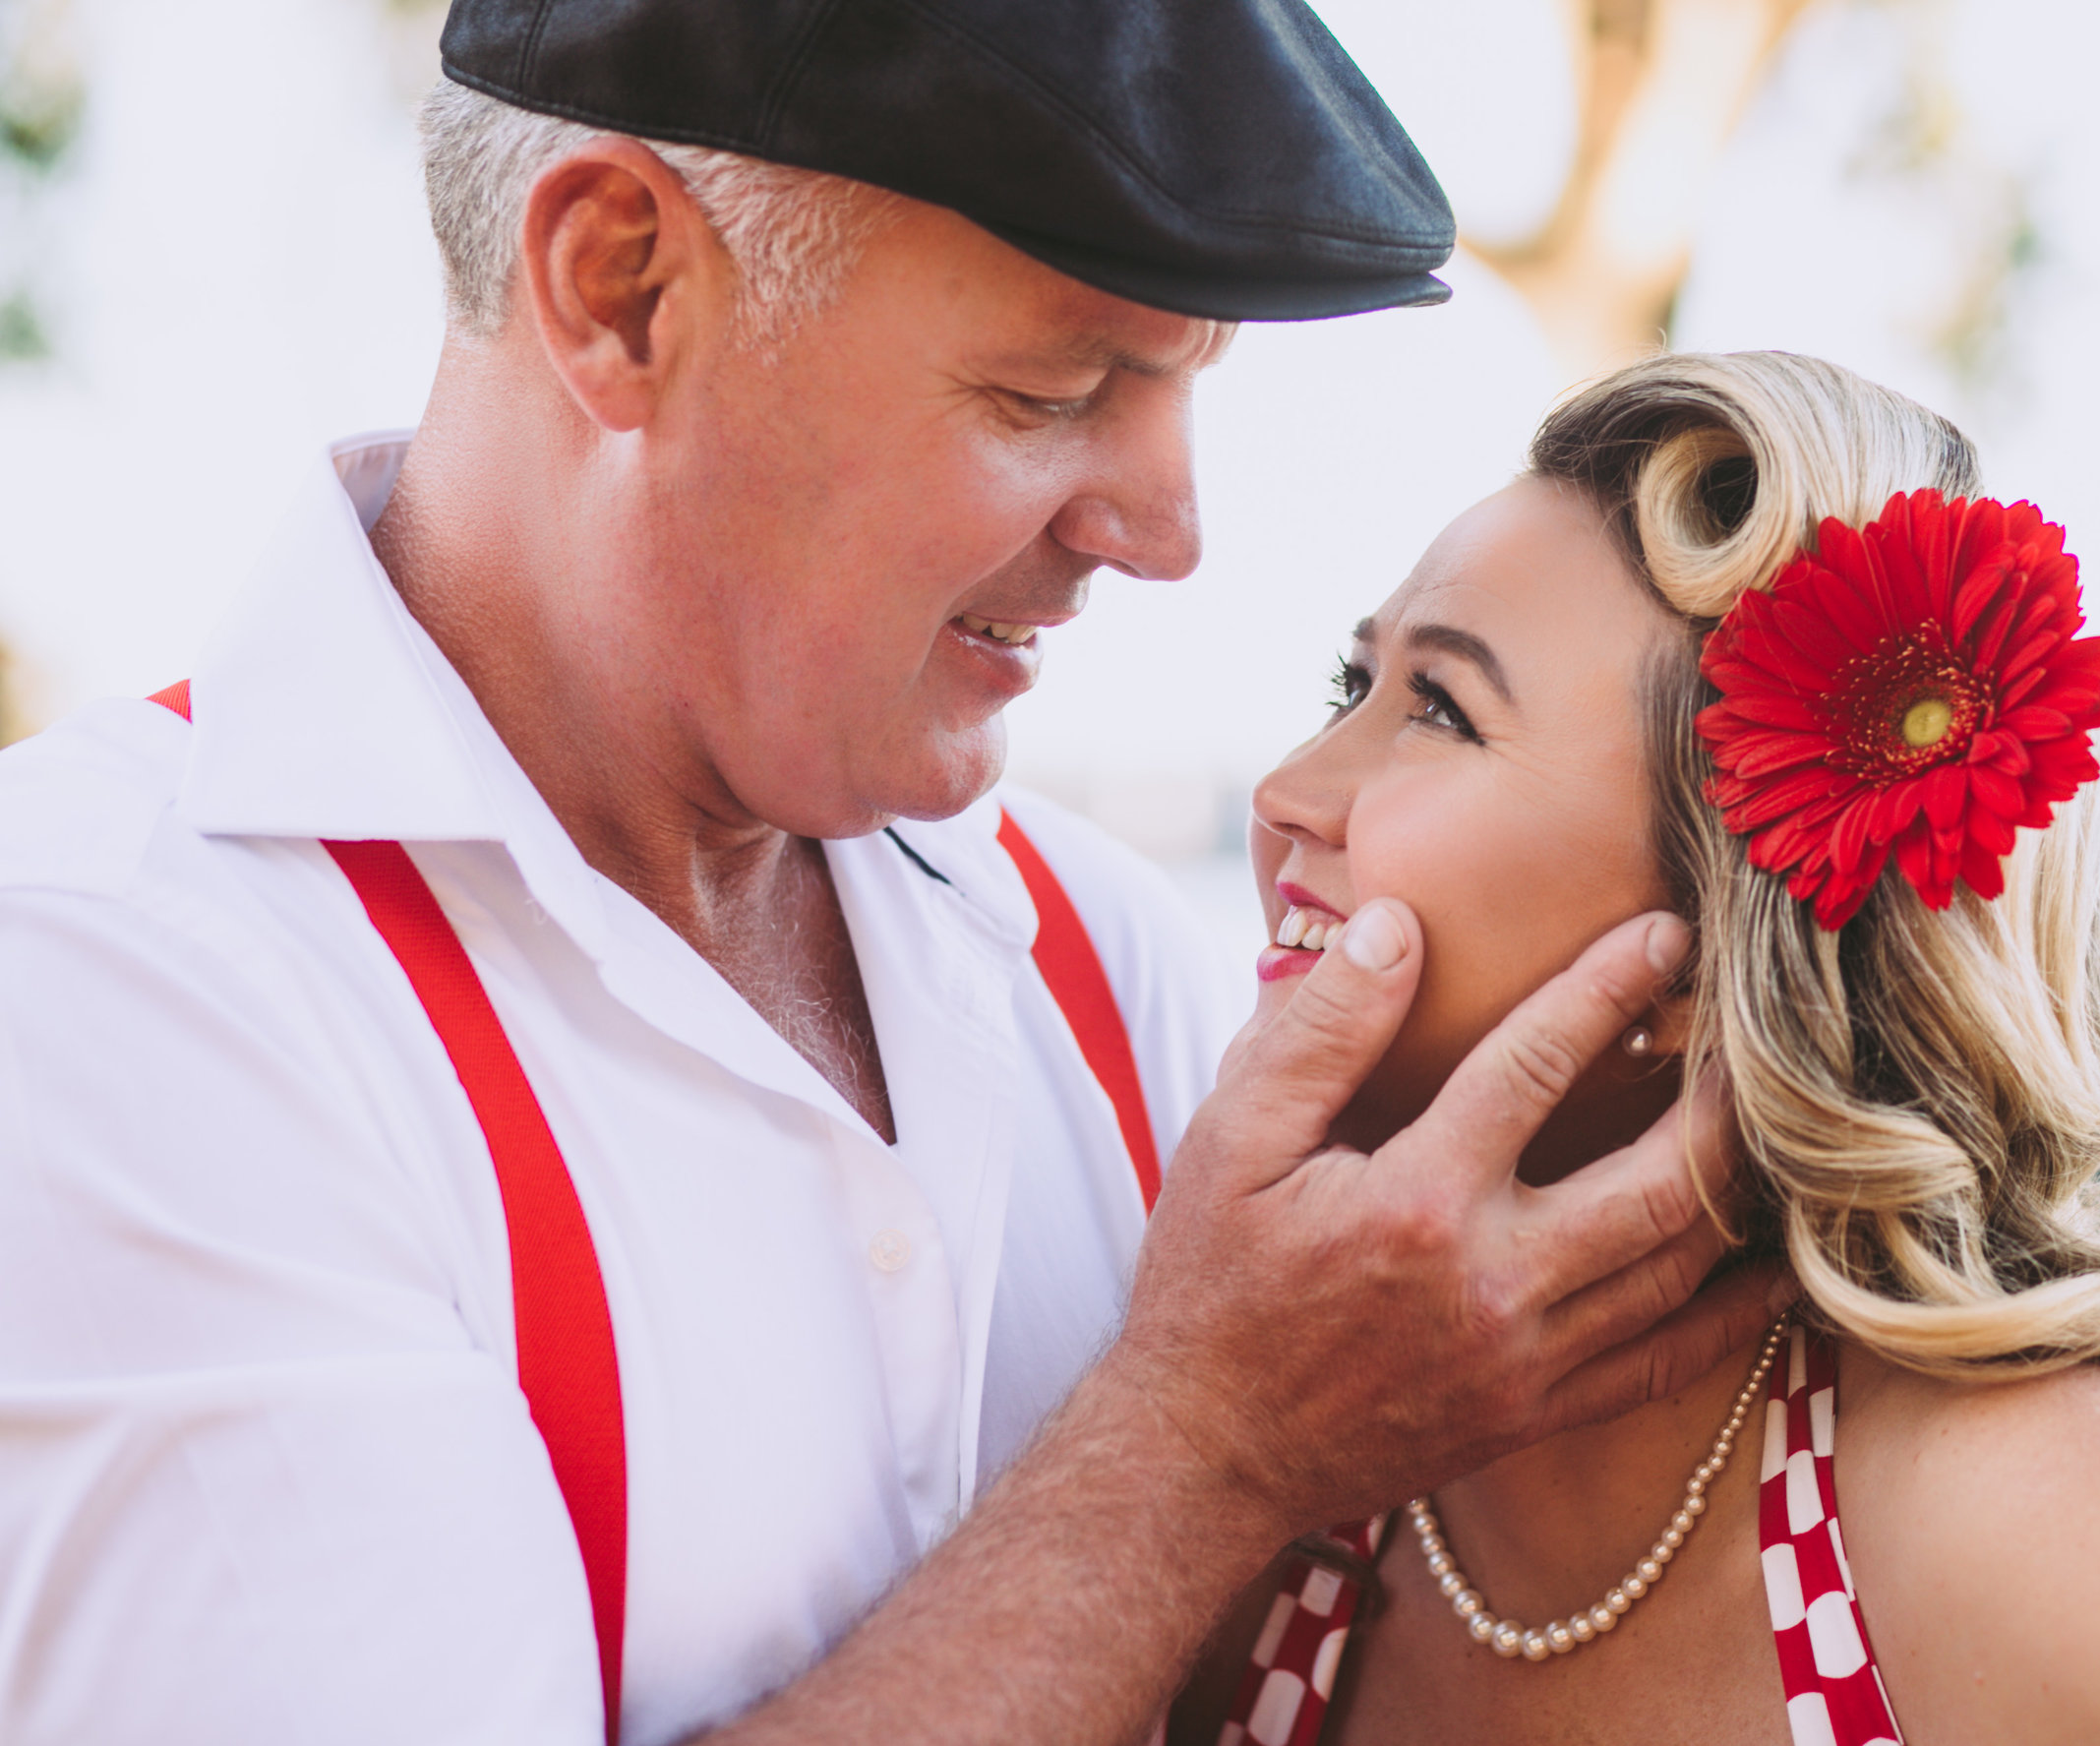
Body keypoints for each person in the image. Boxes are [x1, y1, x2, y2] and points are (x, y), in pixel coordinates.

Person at [0, 6, 1787, 1743]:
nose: (1167, 534)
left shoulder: (1097, 958)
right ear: (620, 286)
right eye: (1056, 386)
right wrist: (1208, 1449)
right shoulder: (101, 995)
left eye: (1182, 388)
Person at [1181, 350, 2100, 1746]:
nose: (1288, 792)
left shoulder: (2052, 1521)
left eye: (1438, 708)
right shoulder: (1252, 1484)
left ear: (1716, 936)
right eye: (1348, 684)